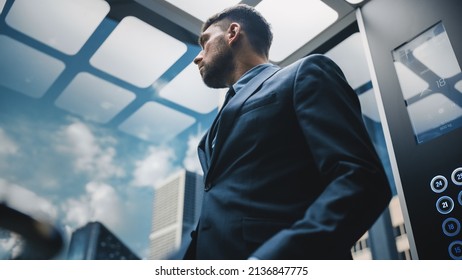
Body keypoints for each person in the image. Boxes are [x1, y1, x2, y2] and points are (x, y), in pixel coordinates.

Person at [184, 4, 391, 259]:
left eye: (205, 42)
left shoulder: (304, 74)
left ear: (233, 32)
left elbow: (361, 178)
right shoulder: (212, 132)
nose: (197, 57)